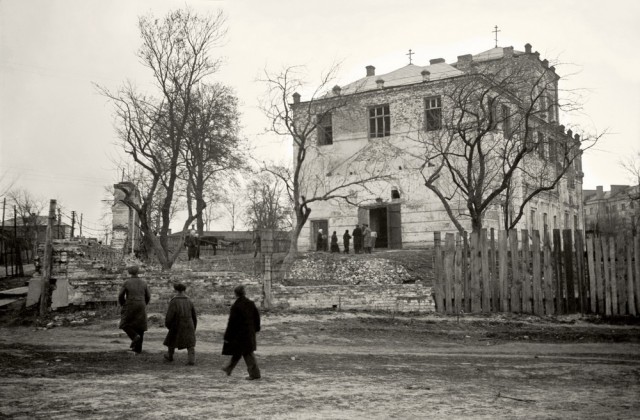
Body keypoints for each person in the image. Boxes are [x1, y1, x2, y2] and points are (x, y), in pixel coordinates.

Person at [221, 285, 261, 380]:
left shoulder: (236, 306)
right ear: (244, 293)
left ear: (235, 294)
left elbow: (231, 323)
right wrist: (256, 328)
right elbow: (257, 317)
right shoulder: (250, 303)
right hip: (249, 332)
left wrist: (227, 336)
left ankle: (255, 374)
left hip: (239, 334)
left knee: (247, 353)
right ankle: (228, 368)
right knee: (240, 351)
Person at [118, 265, 150, 354]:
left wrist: (123, 304)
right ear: (138, 272)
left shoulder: (127, 282)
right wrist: (144, 304)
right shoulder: (144, 282)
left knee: (124, 324)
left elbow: (121, 295)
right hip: (142, 303)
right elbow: (148, 296)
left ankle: (134, 336)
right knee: (140, 326)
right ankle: (138, 349)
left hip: (130, 304)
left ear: (129, 272)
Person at [163, 283, 198, 365]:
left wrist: (169, 325)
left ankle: (170, 355)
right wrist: (193, 326)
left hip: (177, 323)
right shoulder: (189, 300)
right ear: (184, 290)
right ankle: (191, 359)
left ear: (176, 290)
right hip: (189, 323)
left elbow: (169, 316)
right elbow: (194, 315)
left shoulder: (174, 301)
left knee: (171, 339)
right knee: (190, 343)